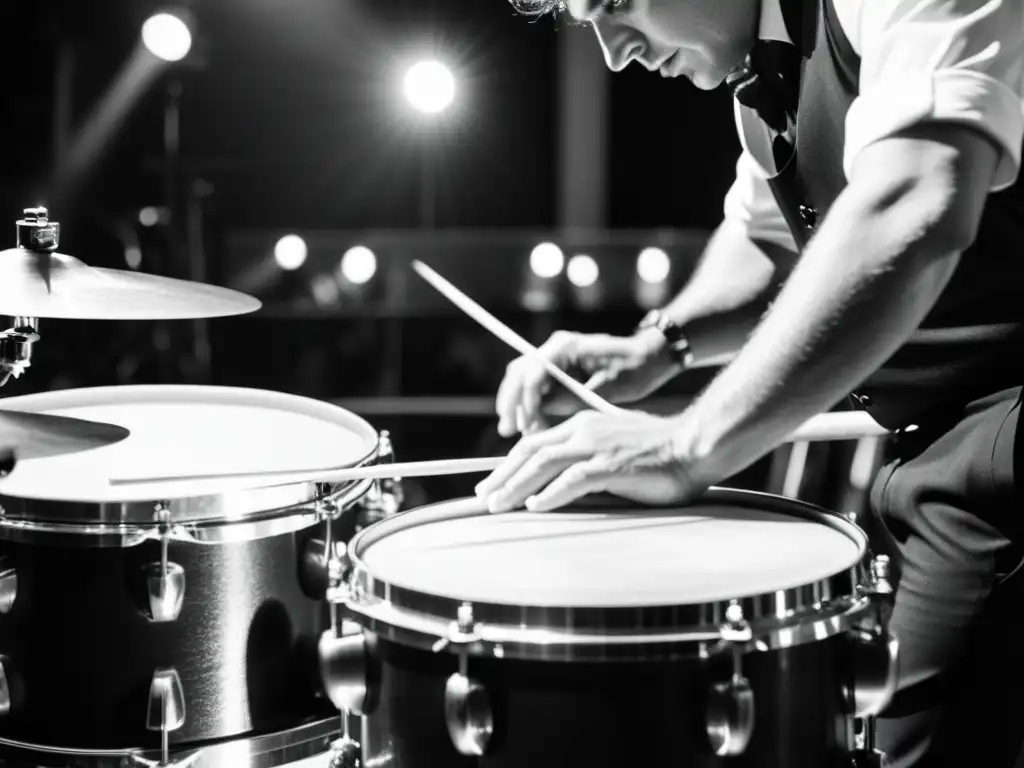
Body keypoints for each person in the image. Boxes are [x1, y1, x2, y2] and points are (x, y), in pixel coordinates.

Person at [474, 0, 1024, 766]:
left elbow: (915, 196)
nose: (613, 53)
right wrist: (656, 349)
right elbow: (773, 238)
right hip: (939, 453)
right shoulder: (763, 69)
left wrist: (687, 445)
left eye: (615, 4)